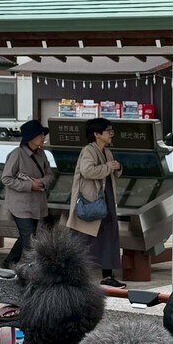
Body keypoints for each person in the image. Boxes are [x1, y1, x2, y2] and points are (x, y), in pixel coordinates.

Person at [69, 119, 125, 289]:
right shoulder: (88, 151)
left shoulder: (106, 151)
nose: (110, 134)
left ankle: (108, 276)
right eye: (108, 131)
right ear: (97, 134)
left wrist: (117, 167)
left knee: (109, 236)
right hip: (90, 201)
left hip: (105, 199)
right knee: (83, 239)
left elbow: (114, 171)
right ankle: (73, 275)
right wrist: (109, 167)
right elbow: (87, 171)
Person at [1, 119, 55, 265]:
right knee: (29, 237)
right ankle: (29, 268)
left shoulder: (41, 154)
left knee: (28, 235)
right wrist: (29, 185)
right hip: (20, 205)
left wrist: (42, 182)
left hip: (36, 204)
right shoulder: (17, 154)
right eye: (40, 134)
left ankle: (9, 262)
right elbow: (6, 178)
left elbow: (49, 173)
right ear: (31, 137)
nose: (43, 137)